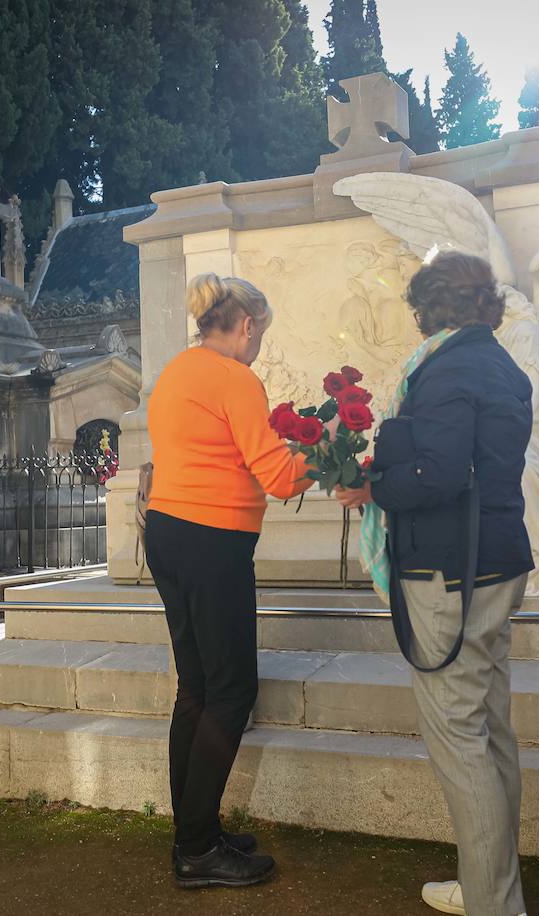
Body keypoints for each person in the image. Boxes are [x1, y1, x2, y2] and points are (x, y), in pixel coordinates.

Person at [337, 251, 535, 916]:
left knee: (459, 738)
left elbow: (439, 475)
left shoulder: (447, 369)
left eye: (420, 310)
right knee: (490, 729)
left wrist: (370, 486)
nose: (417, 323)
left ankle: (492, 904)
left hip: (450, 572)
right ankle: (491, 886)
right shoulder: (501, 366)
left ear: (435, 307)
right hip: (498, 562)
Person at [145, 273, 314, 889]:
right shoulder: (235, 377)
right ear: (246, 326)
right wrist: (326, 456)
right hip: (211, 539)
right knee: (232, 689)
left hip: (167, 531)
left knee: (195, 686)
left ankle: (195, 831)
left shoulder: (178, 371)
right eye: (260, 334)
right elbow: (275, 475)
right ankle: (196, 850)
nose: (259, 346)